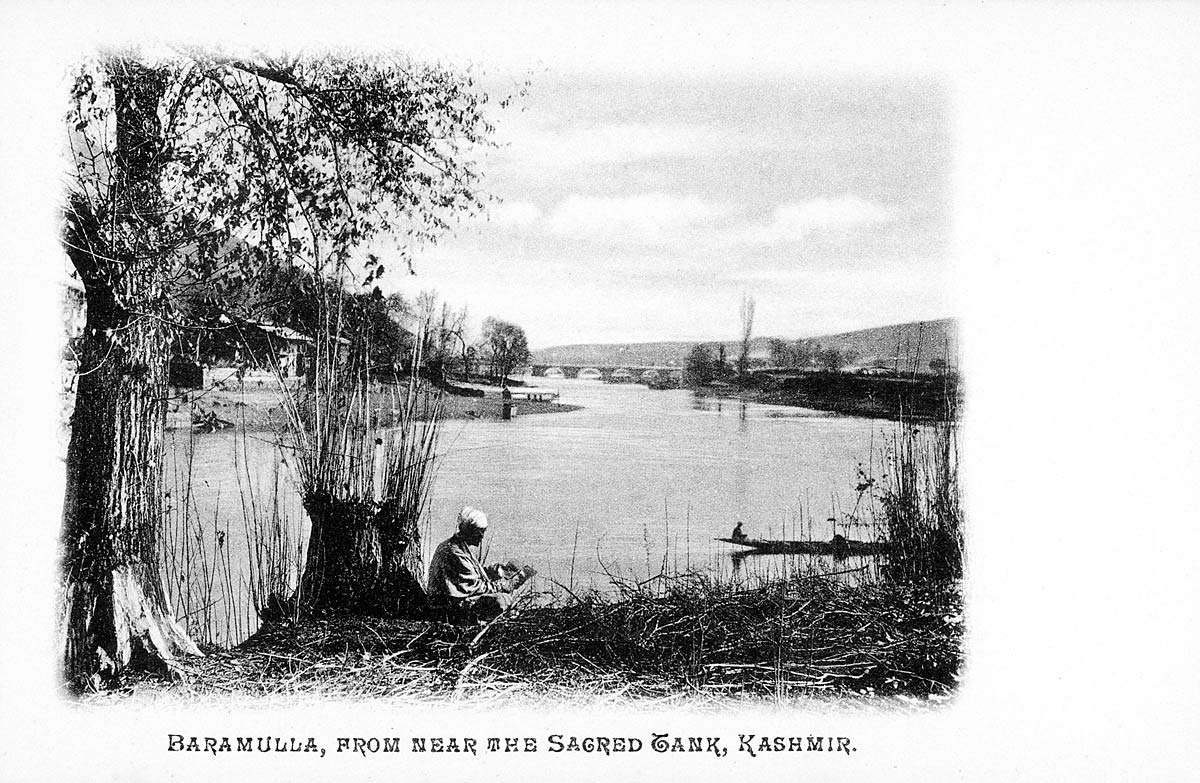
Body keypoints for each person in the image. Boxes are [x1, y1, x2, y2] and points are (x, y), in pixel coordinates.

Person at [426, 507, 535, 623]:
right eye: (480, 531)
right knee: (502, 599)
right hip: (446, 608)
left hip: (452, 601)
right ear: (469, 531)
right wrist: (505, 585)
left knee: (502, 598)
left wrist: (490, 571)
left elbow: (467, 575)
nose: (482, 536)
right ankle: (479, 622)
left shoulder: (457, 546)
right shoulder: (454, 552)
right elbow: (473, 587)